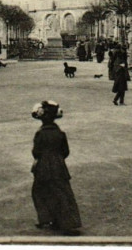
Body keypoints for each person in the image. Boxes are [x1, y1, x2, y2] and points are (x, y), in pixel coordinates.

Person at [30, 100, 81, 235]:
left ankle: (47, 218)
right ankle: (67, 222)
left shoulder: (40, 134)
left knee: (40, 191)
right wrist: (57, 158)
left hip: (43, 166)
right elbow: (66, 151)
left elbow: (36, 152)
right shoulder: (60, 133)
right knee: (62, 192)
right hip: (59, 165)